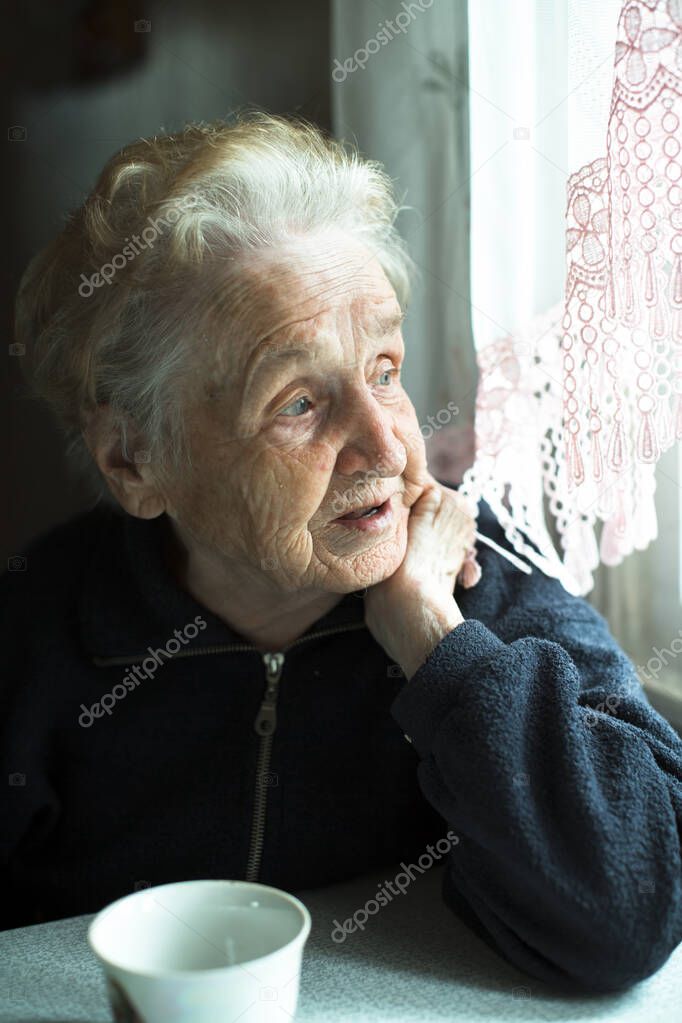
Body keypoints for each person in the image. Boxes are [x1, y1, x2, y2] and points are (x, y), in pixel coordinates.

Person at [3, 111, 682, 995]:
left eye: (386, 369)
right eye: (298, 403)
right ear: (136, 461)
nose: (388, 445)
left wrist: (437, 641)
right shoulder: (37, 635)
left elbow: (634, 908)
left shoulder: (476, 582)